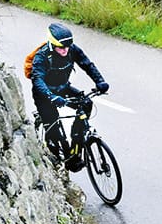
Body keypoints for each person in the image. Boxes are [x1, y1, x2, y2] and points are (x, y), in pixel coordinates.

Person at [30, 21, 109, 167]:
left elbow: (87, 65)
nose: (65, 50)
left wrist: (100, 82)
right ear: (53, 45)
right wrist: (51, 96)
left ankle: (76, 140)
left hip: (63, 88)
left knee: (86, 103)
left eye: (67, 46)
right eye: (61, 48)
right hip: (44, 95)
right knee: (54, 125)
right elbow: (37, 80)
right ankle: (63, 151)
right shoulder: (42, 57)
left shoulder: (72, 49)